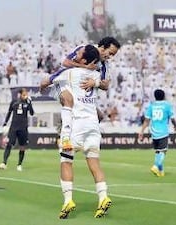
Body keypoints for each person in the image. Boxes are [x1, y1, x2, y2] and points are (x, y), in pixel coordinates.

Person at [54, 45, 111, 219]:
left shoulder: (69, 73)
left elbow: (49, 80)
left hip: (76, 124)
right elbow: (104, 84)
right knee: (94, 162)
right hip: (93, 124)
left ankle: (68, 200)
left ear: (84, 60)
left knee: (66, 161)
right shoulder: (95, 75)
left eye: (78, 53)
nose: (75, 54)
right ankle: (103, 197)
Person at [40, 37, 120, 152]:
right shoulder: (84, 50)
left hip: (80, 91)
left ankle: (74, 133)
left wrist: (95, 83)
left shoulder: (104, 65)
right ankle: (63, 135)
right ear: (103, 48)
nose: (110, 57)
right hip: (64, 81)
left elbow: (105, 85)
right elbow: (66, 63)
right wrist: (85, 67)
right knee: (68, 100)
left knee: (100, 116)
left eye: (113, 55)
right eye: (110, 53)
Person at [138, 89, 176, 177]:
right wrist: (175, 126)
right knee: (163, 151)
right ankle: (155, 166)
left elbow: (146, 120)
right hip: (163, 131)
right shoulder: (167, 105)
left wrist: (141, 131)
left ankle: (161, 171)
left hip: (154, 132)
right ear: (163, 96)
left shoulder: (152, 106)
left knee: (158, 152)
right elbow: (172, 118)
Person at [0, 88, 34, 171]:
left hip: (23, 128)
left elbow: (32, 113)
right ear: (20, 94)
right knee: (9, 144)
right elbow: (9, 112)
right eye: (24, 94)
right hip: (14, 127)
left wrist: (30, 103)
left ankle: (19, 164)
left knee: (22, 146)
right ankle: (4, 163)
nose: (25, 96)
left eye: (26, 94)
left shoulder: (27, 103)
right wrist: (5, 123)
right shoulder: (14, 102)